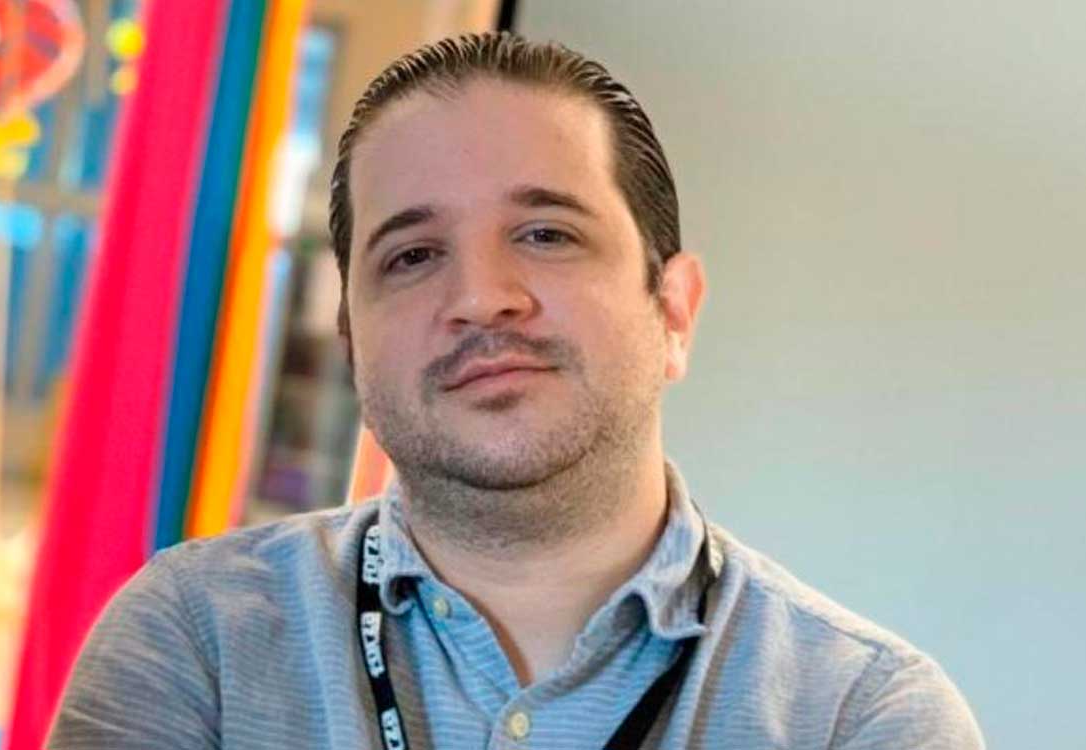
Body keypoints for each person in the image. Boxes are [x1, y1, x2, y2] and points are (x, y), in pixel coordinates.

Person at [50, 32, 985, 749]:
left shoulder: (861, 715)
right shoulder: (194, 643)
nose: (480, 297)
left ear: (673, 310)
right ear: (353, 344)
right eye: (413, 255)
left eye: (546, 234)